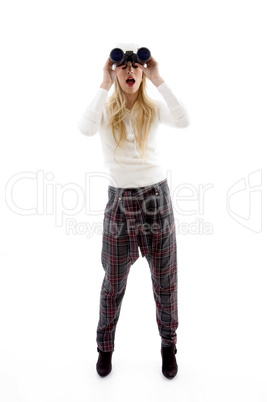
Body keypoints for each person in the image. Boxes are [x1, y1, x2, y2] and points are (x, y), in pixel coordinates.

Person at [78, 43, 190, 379]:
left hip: (157, 200)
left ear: (142, 71)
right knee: (113, 283)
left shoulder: (153, 109)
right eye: (123, 67)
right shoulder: (104, 112)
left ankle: (168, 346)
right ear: (116, 72)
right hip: (119, 205)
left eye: (136, 67)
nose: (130, 71)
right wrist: (102, 82)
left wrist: (157, 78)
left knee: (165, 281)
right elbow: (83, 128)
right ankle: (105, 348)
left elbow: (184, 121)